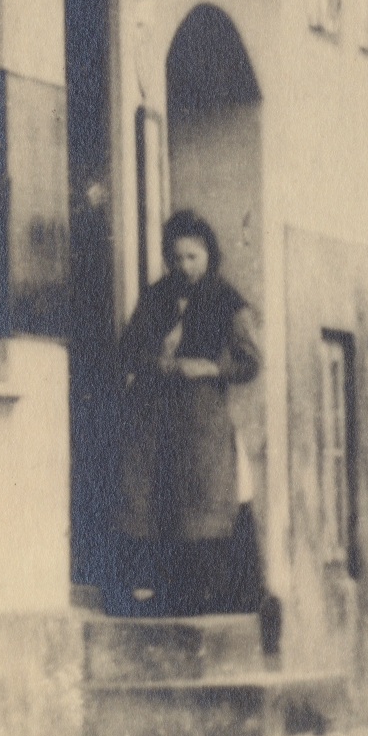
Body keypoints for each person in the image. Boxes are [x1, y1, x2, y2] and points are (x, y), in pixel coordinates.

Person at [114, 210, 262, 616]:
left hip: (200, 418)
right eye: (176, 258)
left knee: (200, 498)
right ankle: (154, 589)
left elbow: (250, 361)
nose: (184, 266)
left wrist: (212, 368)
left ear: (208, 255)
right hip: (153, 416)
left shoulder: (227, 299)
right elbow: (128, 349)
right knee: (148, 494)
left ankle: (206, 593)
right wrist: (161, 363)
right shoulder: (156, 296)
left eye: (192, 257)